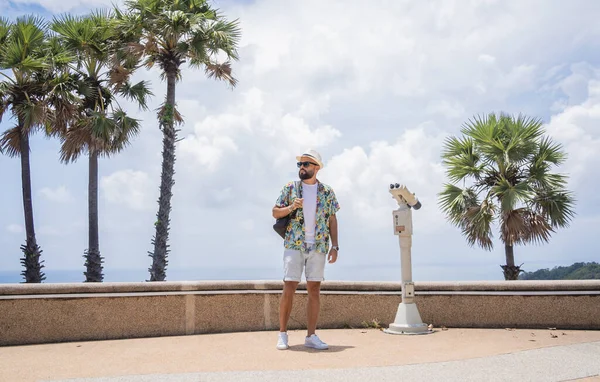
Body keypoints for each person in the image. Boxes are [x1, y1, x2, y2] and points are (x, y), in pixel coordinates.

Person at [272, 149, 340, 350]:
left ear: (316, 168)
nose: (302, 168)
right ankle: (282, 334)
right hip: (294, 243)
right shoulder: (290, 188)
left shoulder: (327, 192)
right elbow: (275, 211)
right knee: (289, 287)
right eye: (300, 164)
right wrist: (292, 207)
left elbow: (332, 218)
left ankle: (311, 336)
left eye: (306, 164)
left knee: (314, 290)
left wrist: (335, 246)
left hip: (318, 245)